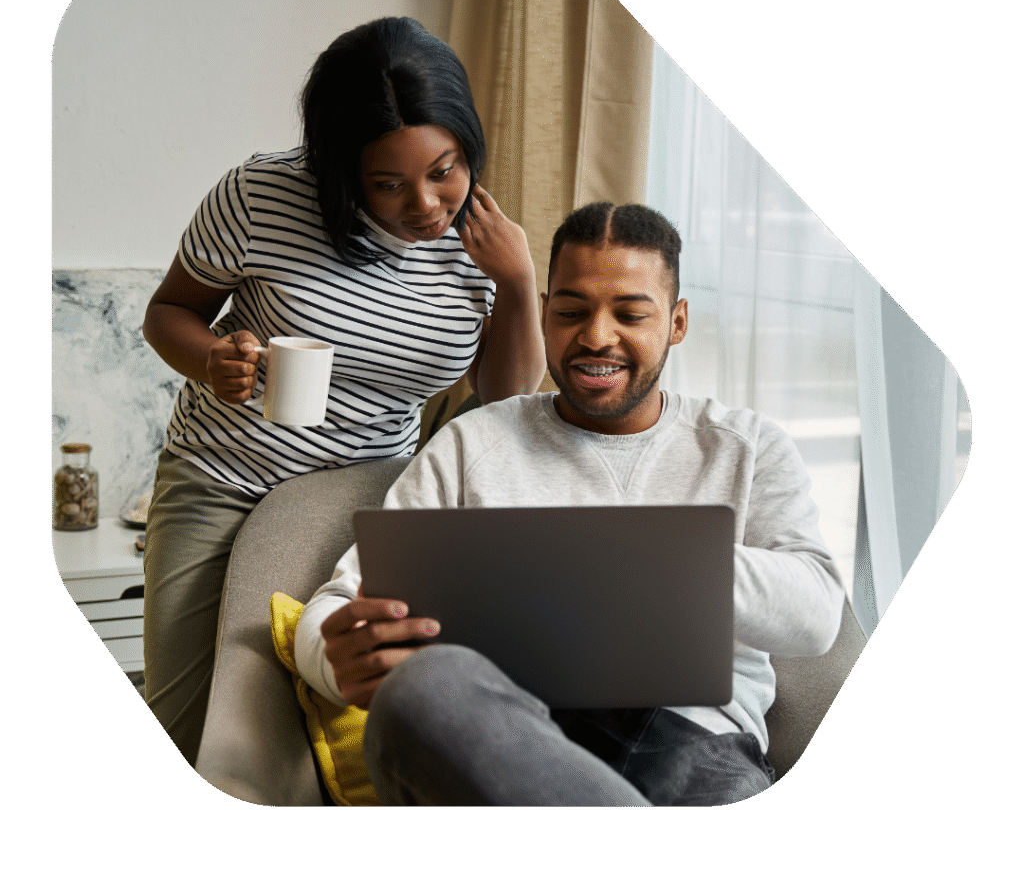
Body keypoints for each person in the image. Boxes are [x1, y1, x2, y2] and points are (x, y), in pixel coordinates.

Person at [294, 201, 846, 806]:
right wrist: (334, 658)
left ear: (678, 321)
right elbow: (342, 601)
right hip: (506, 739)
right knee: (421, 690)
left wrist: (651, 561)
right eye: (571, 312)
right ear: (544, 314)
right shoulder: (473, 441)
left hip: (691, 744)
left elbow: (817, 613)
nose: (597, 337)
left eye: (631, 313)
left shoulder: (745, 447)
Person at [142, 17, 546, 767]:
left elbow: (501, 399)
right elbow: (168, 313)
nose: (427, 205)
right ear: (339, 168)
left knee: (306, 738)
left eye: (445, 170)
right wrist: (210, 360)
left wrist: (518, 282)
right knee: (187, 729)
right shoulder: (260, 196)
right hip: (223, 484)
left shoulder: (478, 244)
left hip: (366, 506)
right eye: (388, 184)